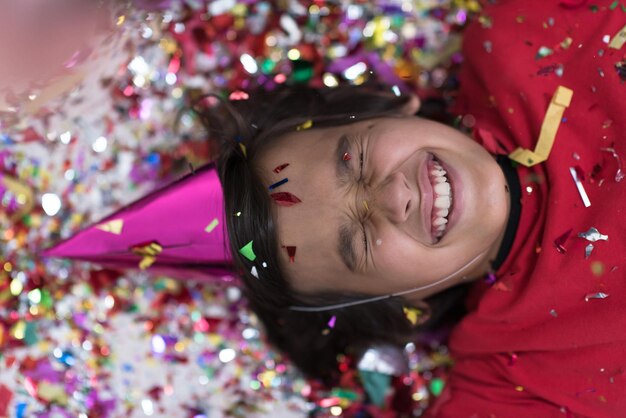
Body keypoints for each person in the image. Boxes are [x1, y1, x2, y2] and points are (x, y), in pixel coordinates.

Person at [206, 0, 625, 416]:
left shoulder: (523, 32)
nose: (394, 197)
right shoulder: (505, 387)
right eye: (361, 242)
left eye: (355, 162)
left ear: (389, 107)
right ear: (404, 306)